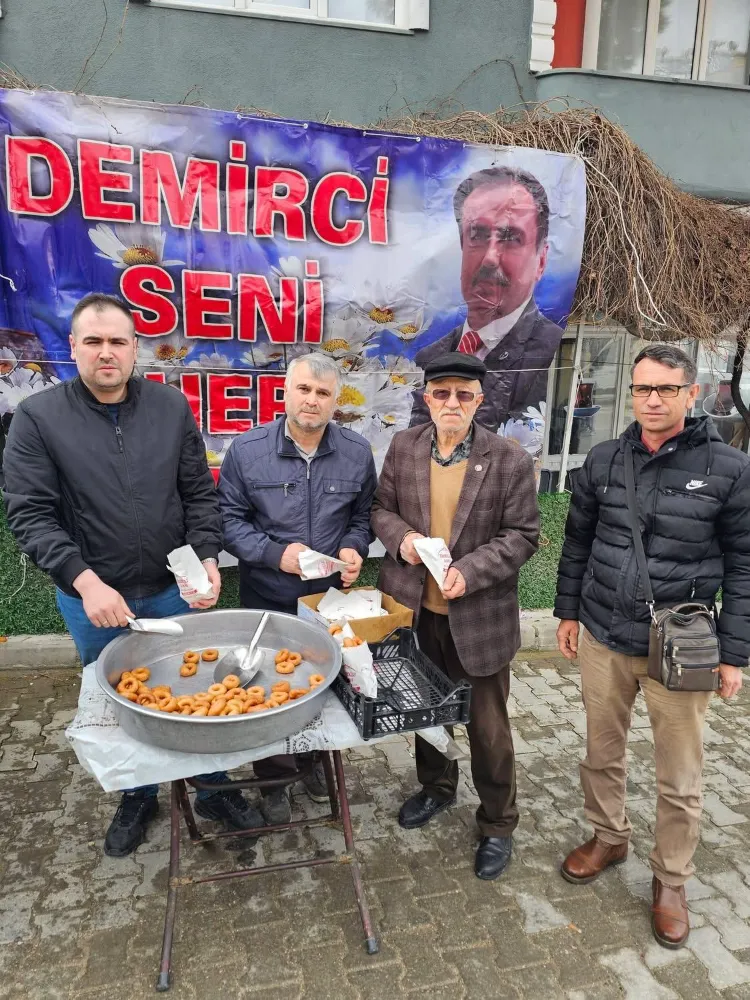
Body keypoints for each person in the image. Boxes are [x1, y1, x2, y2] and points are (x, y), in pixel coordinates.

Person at [2, 293, 265, 856]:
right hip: (94, 602)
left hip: (174, 592)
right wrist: (84, 581)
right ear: (73, 347)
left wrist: (208, 558)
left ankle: (212, 788)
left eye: (117, 341)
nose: (106, 352)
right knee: (123, 702)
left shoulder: (170, 407)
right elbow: (30, 514)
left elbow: (199, 494)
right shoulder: (38, 418)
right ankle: (138, 794)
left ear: (135, 347)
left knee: (199, 693)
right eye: (93, 341)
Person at [555, 343, 750, 949]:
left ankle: (671, 879)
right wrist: (567, 612)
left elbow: (744, 565)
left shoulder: (729, 468)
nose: (653, 400)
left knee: (680, 774)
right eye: (643, 388)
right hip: (604, 635)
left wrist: (734, 653)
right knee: (601, 752)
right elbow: (578, 539)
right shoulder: (605, 458)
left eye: (666, 389)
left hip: (683, 647)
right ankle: (609, 837)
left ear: (691, 394)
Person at [371, 351, 539, 879]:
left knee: (488, 728)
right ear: (427, 398)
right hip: (417, 610)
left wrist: (469, 570)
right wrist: (404, 539)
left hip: (478, 616)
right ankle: (438, 787)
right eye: (441, 393)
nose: (452, 403)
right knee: (427, 711)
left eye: (463, 395)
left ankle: (498, 822)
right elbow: (381, 510)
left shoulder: (508, 459)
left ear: (478, 401)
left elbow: (522, 536)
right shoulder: (404, 447)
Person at [218, 352, 377, 824]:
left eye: (323, 393)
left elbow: (363, 516)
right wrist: (274, 554)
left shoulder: (356, 452)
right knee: (267, 688)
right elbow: (227, 521)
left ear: (335, 401)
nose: (312, 400)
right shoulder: (247, 451)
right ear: (285, 392)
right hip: (266, 595)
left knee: (324, 684)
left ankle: (315, 764)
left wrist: (353, 547)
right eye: (304, 389)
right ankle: (274, 779)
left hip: (326, 602)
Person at [410, 166, 563, 433]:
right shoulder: (428, 358)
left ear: (541, 260)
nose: (490, 257)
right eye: (478, 235)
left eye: (510, 238)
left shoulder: (552, 356)